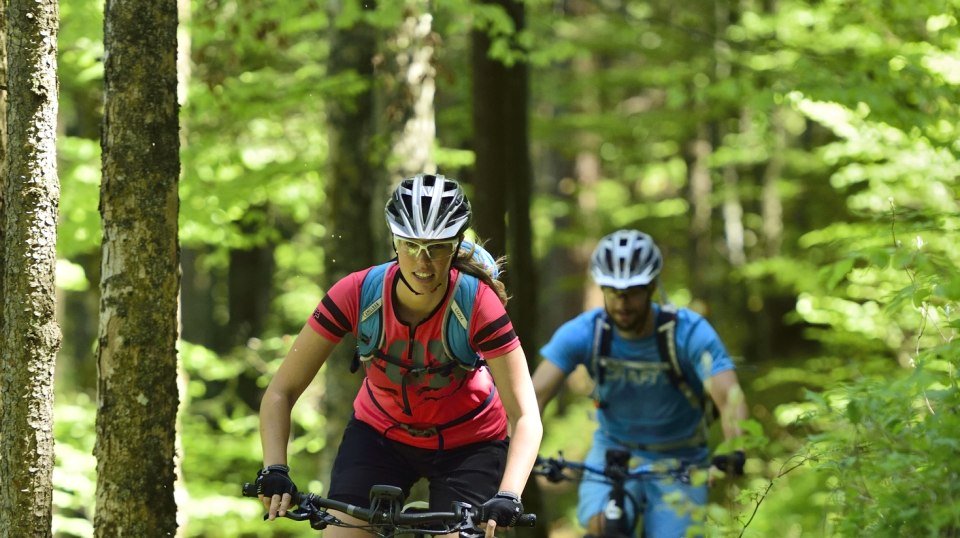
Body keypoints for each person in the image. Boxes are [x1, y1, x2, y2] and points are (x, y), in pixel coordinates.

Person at [254, 173, 542, 538]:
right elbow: (281, 391)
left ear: (455, 245)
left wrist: (509, 494)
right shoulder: (356, 293)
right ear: (394, 240)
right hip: (379, 436)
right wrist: (274, 468)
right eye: (411, 245)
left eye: (436, 247)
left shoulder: (476, 304)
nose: (423, 262)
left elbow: (525, 415)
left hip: (471, 443)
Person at [531, 229, 748, 538]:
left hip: (681, 459)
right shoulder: (586, 332)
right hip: (613, 451)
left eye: (632, 291)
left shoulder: (687, 333)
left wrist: (734, 451)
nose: (622, 302)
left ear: (651, 287)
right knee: (605, 527)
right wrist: (513, 452)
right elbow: (535, 394)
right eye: (612, 291)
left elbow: (729, 397)